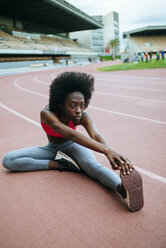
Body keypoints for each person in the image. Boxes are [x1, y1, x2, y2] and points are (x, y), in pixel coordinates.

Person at [2, 72, 143, 212]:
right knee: (9, 160)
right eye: (73, 105)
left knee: (92, 167)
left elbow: (95, 135)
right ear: (60, 103)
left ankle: (122, 189)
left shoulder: (83, 116)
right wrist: (106, 151)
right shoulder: (47, 114)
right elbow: (72, 134)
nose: (79, 110)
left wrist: (112, 153)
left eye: (82, 105)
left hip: (73, 147)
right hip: (51, 149)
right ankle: (59, 164)